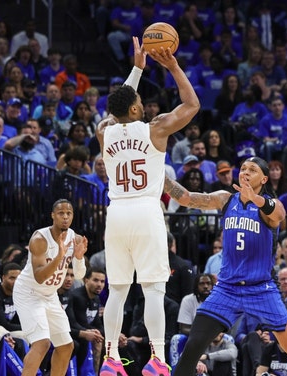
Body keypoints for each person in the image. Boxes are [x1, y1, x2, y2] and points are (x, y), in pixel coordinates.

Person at [163, 156, 287, 376]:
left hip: (261, 288)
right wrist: (160, 175)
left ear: (264, 178)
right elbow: (186, 198)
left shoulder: (270, 205)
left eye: (252, 169)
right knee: (192, 346)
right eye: (243, 168)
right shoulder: (226, 199)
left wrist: (257, 199)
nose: (245, 172)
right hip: (227, 288)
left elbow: (279, 215)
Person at [96, 36, 200, 376]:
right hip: (146, 211)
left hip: (117, 213)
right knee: (154, 290)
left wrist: (136, 71)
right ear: (138, 110)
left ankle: (111, 359)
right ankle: (157, 360)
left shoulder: (104, 133)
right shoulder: (155, 129)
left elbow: (113, 112)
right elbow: (191, 105)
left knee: (118, 291)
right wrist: (173, 66)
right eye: (140, 101)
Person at [12, 199, 88, 376]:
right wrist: (59, 257)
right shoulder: (40, 239)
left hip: (50, 295)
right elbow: (39, 277)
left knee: (66, 346)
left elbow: (79, 276)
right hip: (29, 292)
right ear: (53, 215)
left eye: (69, 213)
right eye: (61, 213)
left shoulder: (74, 238)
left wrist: (78, 257)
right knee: (42, 343)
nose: (65, 217)